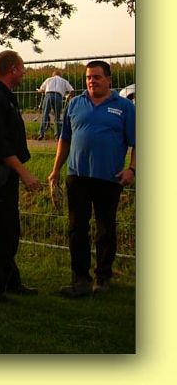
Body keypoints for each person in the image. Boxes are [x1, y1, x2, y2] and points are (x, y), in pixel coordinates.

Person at [47, 60, 136, 297]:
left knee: (105, 229)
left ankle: (103, 277)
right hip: (77, 177)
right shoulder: (75, 103)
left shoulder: (124, 107)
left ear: (108, 79)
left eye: (97, 77)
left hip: (109, 178)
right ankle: (80, 280)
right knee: (77, 229)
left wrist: (132, 169)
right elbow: (64, 139)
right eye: (88, 77)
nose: (91, 81)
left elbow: (137, 141)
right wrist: (56, 170)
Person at [0, 50, 43, 302]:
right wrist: (25, 174)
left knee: (9, 229)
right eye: (22, 67)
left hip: (6, 174)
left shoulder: (5, 97)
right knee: (0, 231)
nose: (24, 72)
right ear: (13, 68)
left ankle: (10, 280)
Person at [36, 70, 74, 139]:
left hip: (48, 95)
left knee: (45, 114)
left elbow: (41, 89)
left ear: (53, 75)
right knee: (57, 116)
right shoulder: (64, 81)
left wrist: (38, 90)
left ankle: (41, 133)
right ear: (60, 75)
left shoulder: (48, 79)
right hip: (58, 96)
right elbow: (72, 90)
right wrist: (68, 96)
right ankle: (58, 135)